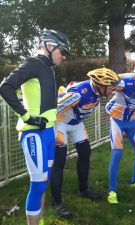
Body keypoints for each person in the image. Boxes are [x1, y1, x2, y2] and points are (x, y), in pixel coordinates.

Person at [0, 29, 70, 225]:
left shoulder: (48, 68)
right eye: (62, 51)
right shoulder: (33, 64)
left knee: (43, 182)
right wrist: (26, 117)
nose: (63, 56)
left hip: (47, 133)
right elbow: (5, 87)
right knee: (38, 185)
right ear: (49, 45)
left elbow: (48, 104)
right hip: (34, 134)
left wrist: (54, 130)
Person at [50, 68, 122, 217]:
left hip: (76, 123)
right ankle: (57, 203)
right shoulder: (77, 93)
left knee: (85, 152)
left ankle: (84, 190)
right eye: (111, 87)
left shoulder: (97, 91)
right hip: (60, 122)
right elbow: (53, 109)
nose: (113, 90)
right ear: (101, 85)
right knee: (60, 160)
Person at [105, 63, 135, 204]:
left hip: (132, 121)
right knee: (117, 153)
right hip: (116, 119)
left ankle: (134, 181)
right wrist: (128, 76)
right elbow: (112, 77)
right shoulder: (124, 83)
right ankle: (112, 191)